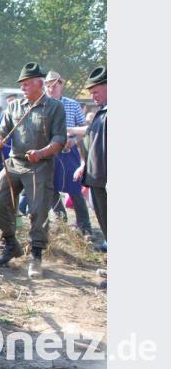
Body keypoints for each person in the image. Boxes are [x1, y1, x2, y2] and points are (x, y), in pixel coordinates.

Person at [0, 63, 67, 279]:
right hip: (14, 162)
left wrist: (41, 153)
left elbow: (60, 139)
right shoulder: (14, 107)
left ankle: (36, 255)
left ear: (40, 84)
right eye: (21, 84)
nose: (22, 87)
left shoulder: (54, 108)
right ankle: (11, 242)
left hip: (40, 165)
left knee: (37, 210)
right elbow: (1, 131)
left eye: (26, 83)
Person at [44, 71, 93, 239]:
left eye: (54, 85)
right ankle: (62, 222)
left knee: (74, 188)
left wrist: (74, 140)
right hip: (49, 150)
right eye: (48, 85)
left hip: (68, 150)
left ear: (61, 85)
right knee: (51, 187)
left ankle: (85, 227)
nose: (51, 88)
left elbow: (85, 128)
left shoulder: (72, 104)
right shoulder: (42, 105)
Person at [74, 66, 107, 287]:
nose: (92, 95)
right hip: (96, 179)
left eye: (96, 90)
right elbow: (91, 139)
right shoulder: (102, 112)